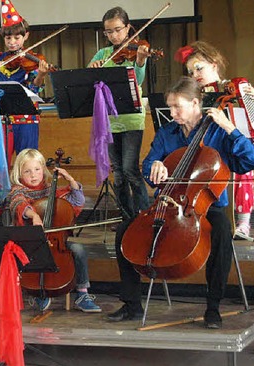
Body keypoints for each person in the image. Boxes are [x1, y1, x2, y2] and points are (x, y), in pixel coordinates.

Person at [109, 77, 254, 329]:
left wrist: (229, 128)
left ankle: (213, 307)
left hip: (208, 206)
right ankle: (131, 304)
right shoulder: (167, 133)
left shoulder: (218, 131)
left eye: (177, 106)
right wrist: (154, 167)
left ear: (195, 103)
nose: (172, 113)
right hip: (167, 202)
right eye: (169, 107)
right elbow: (148, 165)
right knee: (126, 231)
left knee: (222, 231)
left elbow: (251, 160)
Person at [175, 41, 254, 238]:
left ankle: (243, 223)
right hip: (208, 145)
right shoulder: (194, 94)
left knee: (241, 164)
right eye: (190, 72)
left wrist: (253, 100)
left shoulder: (235, 87)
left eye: (199, 68)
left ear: (214, 65)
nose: (195, 75)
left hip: (233, 141)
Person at [7, 148, 101, 313]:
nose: (33, 175)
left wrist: (70, 180)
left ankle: (82, 293)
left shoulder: (52, 190)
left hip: (57, 241)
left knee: (78, 249)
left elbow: (76, 200)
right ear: (19, 173)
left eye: (37, 170)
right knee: (32, 253)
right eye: (27, 171)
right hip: (32, 242)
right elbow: (17, 203)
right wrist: (33, 215)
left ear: (43, 170)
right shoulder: (18, 190)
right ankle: (38, 290)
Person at [87, 6, 150, 220]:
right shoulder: (103, 54)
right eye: (109, 32)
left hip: (131, 120)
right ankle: (126, 217)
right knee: (119, 174)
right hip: (109, 122)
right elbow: (87, 81)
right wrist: (93, 69)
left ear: (128, 27)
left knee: (131, 170)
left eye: (118, 30)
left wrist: (140, 61)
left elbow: (138, 80)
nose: (114, 36)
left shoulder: (137, 50)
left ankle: (144, 216)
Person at [0, 0, 49, 162]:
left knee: (27, 161)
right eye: (8, 38)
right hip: (2, 119)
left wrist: (40, 75)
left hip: (27, 119)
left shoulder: (32, 59)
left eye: (17, 37)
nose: (12, 42)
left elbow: (34, 89)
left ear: (26, 36)